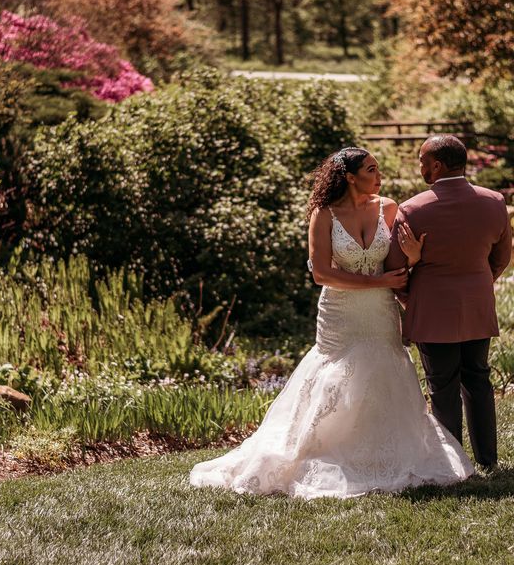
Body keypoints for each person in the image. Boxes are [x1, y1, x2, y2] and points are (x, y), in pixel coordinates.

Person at [189, 146, 474, 499]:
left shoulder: (389, 208)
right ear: (350, 177)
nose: (379, 176)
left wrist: (413, 259)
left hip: (380, 313)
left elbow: (396, 272)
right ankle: (321, 449)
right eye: (371, 170)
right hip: (341, 313)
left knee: (384, 371)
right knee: (336, 374)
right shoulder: (324, 215)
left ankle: (383, 453)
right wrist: (378, 283)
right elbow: (322, 274)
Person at [384, 135, 511, 472]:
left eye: (423, 160)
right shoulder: (495, 201)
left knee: (442, 386)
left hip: (432, 308)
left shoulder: (412, 209)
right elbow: (501, 259)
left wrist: (412, 297)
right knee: (478, 379)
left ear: (437, 164)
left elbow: (395, 268)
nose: (420, 166)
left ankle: (454, 462)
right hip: (476, 305)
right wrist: (478, 283)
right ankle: (488, 459)